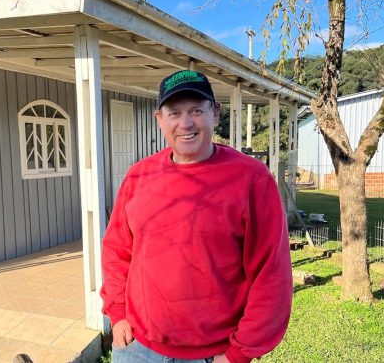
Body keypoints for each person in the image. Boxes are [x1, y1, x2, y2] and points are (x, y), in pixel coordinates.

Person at [100, 70, 292, 363]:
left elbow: (271, 275)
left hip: (212, 355)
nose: (185, 123)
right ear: (160, 119)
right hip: (137, 348)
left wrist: (238, 354)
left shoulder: (251, 180)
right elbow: (116, 251)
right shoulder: (139, 176)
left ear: (215, 113)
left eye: (196, 111)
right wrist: (117, 313)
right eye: (174, 112)